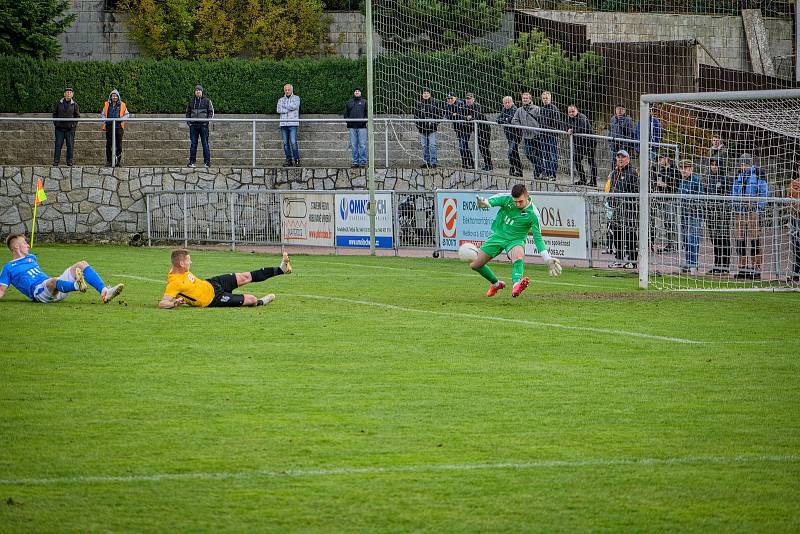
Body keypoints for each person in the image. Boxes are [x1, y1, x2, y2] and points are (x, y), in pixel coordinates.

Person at [470, 184, 562, 298]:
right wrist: (484, 203)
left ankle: (516, 284)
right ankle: (496, 284)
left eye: (520, 201)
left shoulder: (533, 214)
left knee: (518, 255)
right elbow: (490, 202)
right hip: (498, 236)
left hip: (516, 240)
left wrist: (547, 258)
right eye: (515, 202)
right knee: (475, 265)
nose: (517, 204)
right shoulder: (507, 199)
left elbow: (537, 238)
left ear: (527, 196)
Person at [0, 234, 123, 304]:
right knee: (52, 281)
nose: (28, 245)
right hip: (39, 292)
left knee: (81, 264)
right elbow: (1, 290)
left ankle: (105, 292)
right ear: (16, 246)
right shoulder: (8, 268)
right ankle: (77, 285)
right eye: (24, 243)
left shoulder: (31, 258)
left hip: (56, 287)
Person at [158, 249, 292, 309]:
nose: (191, 263)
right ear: (181, 264)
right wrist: (174, 303)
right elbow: (163, 303)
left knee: (245, 276)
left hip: (212, 283)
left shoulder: (178, 269)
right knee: (251, 299)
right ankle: (262, 302)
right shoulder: (174, 283)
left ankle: (281, 269)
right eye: (188, 260)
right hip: (213, 300)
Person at [732, 154, 768, 279]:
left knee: (755, 239)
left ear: (749, 164)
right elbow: (734, 191)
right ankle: (742, 267)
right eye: (741, 164)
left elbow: (764, 192)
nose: (743, 167)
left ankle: (756, 267)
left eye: (745, 164)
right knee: (740, 239)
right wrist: (736, 206)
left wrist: (758, 209)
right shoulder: (738, 174)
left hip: (754, 211)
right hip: (740, 211)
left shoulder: (758, 173)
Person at [605, 149, 639, 269]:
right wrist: (610, 201)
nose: (620, 159)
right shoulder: (613, 173)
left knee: (630, 234)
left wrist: (626, 200)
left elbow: (636, 191)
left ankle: (632, 260)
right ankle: (619, 259)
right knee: (617, 234)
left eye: (623, 157)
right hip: (616, 210)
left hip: (628, 210)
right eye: (618, 157)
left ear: (628, 159)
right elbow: (610, 190)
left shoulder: (632, 173)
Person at [705, 157, 733, 274]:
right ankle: (717, 264)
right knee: (715, 239)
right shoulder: (709, 179)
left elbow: (727, 195)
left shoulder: (725, 178)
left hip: (722, 214)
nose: (714, 166)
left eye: (716, 164)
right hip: (711, 213)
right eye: (712, 164)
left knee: (723, 238)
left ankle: (725, 265)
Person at [677, 159, 705, 274]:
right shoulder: (682, 181)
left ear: (691, 169)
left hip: (694, 215)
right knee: (686, 239)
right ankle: (688, 263)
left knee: (693, 239)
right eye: (682, 168)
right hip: (684, 214)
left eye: (686, 168)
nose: (684, 170)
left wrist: (691, 205)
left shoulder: (696, 180)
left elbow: (700, 197)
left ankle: (693, 264)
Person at [651, 153, 680, 252]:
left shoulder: (674, 170)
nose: (659, 162)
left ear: (666, 159)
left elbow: (676, 185)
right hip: (662, 198)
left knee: (672, 221)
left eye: (661, 159)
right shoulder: (661, 170)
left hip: (671, 199)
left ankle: (675, 244)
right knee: (666, 222)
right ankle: (670, 243)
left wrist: (665, 185)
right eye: (658, 160)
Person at [565, 104, 597, 186]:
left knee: (591, 161)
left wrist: (573, 130)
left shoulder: (582, 117)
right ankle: (583, 179)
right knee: (576, 160)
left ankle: (594, 181)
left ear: (577, 110)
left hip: (589, 142)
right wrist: (567, 129)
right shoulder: (569, 118)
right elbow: (565, 126)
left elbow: (582, 128)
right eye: (569, 112)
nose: (571, 113)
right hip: (579, 143)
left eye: (573, 111)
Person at [511, 92, 541, 178]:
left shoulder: (536, 109)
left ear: (530, 99)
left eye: (526, 98)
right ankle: (540, 167)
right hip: (527, 136)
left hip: (537, 136)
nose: (525, 100)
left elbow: (541, 120)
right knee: (528, 153)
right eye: (523, 98)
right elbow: (514, 120)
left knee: (538, 155)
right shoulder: (519, 110)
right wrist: (521, 127)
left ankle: (537, 173)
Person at [185, 84, 214, 168]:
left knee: (205, 144)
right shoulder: (191, 101)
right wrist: (189, 123)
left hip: (203, 126)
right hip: (193, 126)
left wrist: (206, 122)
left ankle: (207, 162)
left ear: (202, 91)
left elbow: (211, 112)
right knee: (193, 144)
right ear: (195, 92)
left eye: (199, 90)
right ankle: (192, 162)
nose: (198, 91)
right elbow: (188, 113)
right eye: (196, 90)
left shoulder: (207, 101)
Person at [463, 93, 493, 171]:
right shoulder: (465, 107)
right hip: (477, 130)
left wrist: (469, 117)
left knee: (484, 148)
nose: (468, 100)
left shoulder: (477, 106)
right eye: (467, 99)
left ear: (473, 99)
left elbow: (475, 116)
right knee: (481, 148)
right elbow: (463, 116)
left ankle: (489, 165)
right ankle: (487, 165)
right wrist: (467, 117)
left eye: (469, 99)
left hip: (484, 129)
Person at [537, 91, 562, 181]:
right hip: (543, 136)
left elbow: (556, 123)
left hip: (551, 136)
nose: (545, 100)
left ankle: (553, 174)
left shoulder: (554, 109)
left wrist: (550, 130)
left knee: (553, 155)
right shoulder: (542, 109)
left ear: (550, 98)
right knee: (545, 155)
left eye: (546, 98)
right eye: (543, 98)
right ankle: (547, 173)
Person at [100, 89, 129, 167]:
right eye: (113, 96)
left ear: (118, 97)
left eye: (116, 96)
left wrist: (121, 119)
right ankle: (109, 161)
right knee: (109, 145)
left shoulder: (122, 104)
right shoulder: (106, 104)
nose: (114, 97)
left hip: (118, 127)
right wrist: (104, 120)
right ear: (111, 97)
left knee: (119, 145)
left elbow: (127, 114)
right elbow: (103, 114)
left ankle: (118, 162)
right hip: (109, 127)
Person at [413, 88, 440, 169]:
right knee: (425, 146)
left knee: (432, 145)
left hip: (432, 129)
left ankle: (434, 162)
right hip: (422, 129)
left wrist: (433, 124)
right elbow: (416, 117)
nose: (425, 94)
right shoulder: (419, 104)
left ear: (430, 94)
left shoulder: (435, 103)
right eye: (424, 93)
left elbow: (439, 115)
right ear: (422, 95)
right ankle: (426, 162)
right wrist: (419, 126)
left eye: (427, 93)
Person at [52, 87, 80, 167]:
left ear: (72, 94)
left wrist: (73, 125)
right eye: (67, 92)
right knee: (58, 145)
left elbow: (77, 116)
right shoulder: (59, 103)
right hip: (59, 129)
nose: (68, 93)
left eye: (70, 92)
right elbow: (54, 114)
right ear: (64, 94)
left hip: (70, 129)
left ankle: (69, 161)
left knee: (70, 146)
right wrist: (56, 123)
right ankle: (56, 161)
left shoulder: (75, 105)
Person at [445, 92, 473, 169]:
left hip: (466, 128)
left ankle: (466, 163)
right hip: (458, 129)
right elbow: (447, 116)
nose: (450, 100)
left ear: (455, 98)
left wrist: (455, 115)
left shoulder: (461, 104)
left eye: (451, 98)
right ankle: (470, 163)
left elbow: (463, 115)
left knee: (462, 146)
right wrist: (453, 115)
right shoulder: (448, 105)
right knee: (464, 146)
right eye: (449, 98)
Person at [496, 96, 522, 177]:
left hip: (516, 134)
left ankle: (512, 167)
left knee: (511, 152)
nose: (507, 104)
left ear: (512, 102)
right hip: (508, 134)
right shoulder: (504, 109)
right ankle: (518, 171)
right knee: (514, 152)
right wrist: (505, 119)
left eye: (508, 102)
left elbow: (511, 119)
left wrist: (505, 120)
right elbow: (498, 119)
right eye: (505, 103)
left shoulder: (514, 109)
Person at [277, 83, 301, 167]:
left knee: (293, 142)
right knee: (285, 143)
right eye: (286, 90)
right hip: (283, 124)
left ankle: (296, 159)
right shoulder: (280, 99)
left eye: (288, 90)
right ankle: (288, 160)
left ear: (291, 90)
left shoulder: (296, 98)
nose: (287, 91)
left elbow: (295, 106)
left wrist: (285, 106)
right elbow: (278, 109)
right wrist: (289, 108)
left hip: (293, 123)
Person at [344, 87, 367, 168]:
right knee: (354, 145)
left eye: (358, 91)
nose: (357, 92)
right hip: (352, 128)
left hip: (362, 128)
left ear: (360, 93)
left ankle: (363, 162)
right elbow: (346, 114)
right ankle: (355, 162)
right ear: (354, 93)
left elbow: (367, 113)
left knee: (362, 145)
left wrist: (364, 122)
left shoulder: (364, 102)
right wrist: (349, 123)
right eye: (355, 91)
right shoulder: (349, 102)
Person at [788, 168, 800, 282]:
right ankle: (797, 271)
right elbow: (791, 199)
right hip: (796, 217)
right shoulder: (794, 183)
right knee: (796, 245)